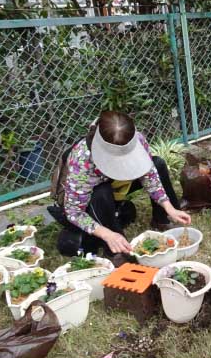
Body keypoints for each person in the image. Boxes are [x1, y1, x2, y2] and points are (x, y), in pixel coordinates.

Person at [50, 110, 191, 262]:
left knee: (158, 163)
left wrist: (168, 206)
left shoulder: (137, 139)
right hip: (92, 200)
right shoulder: (82, 159)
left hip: (116, 186)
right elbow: (74, 211)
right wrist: (107, 234)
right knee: (101, 192)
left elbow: (149, 174)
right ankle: (117, 248)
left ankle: (161, 219)